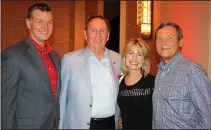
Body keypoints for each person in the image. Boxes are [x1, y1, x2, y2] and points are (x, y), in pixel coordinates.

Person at [1, 3, 61, 129]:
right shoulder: (13, 55)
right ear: (28, 23)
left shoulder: (55, 56)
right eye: (40, 21)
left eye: (50, 22)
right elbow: (5, 105)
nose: (46, 27)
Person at [59, 15, 121, 129]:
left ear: (107, 35)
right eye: (93, 30)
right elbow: (62, 100)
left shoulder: (118, 59)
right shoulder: (70, 60)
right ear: (85, 34)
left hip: (110, 125)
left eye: (102, 31)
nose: (98, 35)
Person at [153, 22, 211, 129]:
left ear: (180, 42)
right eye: (159, 38)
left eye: (170, 38)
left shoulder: (192, 71)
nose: (163, 42)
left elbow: (208, 118)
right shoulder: (160, 72)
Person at [117, 39, 155, 129]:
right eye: (131, 53)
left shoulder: (153, 82)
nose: (134, 58)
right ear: (125, 56)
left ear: (144, 60)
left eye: (139, 54)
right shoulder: (118, 82)